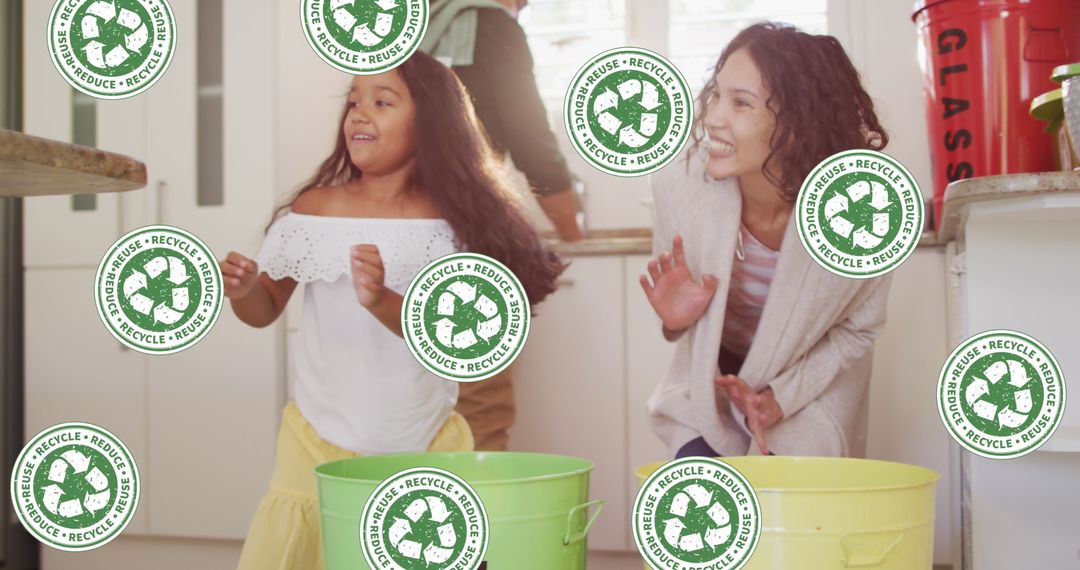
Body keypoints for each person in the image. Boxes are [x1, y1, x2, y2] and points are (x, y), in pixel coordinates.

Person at [226, 51, 564, 569]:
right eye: (354, 102)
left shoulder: (451, 224)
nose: (360, 114)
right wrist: (245, 290)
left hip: (420, 439)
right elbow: (266, 306)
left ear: (431, 123)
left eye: (382, 102)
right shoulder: (315, 209)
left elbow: (455, 339)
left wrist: (383, 301)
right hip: (315, 438)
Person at [639, 23, 892, 459]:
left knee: (794, 512)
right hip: (713, 380)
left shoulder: (863, 213)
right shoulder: (680, 186)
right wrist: (675, 322)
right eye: (716, 95)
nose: (713, 117)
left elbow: (857, 331)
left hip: (806, 386)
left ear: (798, 123)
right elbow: (680, 322)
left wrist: (781, 397)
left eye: (741, 103)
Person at [421, 0, 580, 450]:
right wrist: (572, 231)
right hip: (465, 236)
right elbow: (532, 140)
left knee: (416, 413)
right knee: (479, 415)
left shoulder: (413, 32)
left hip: (398, 235)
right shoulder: (493, 25)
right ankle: (479, 516)